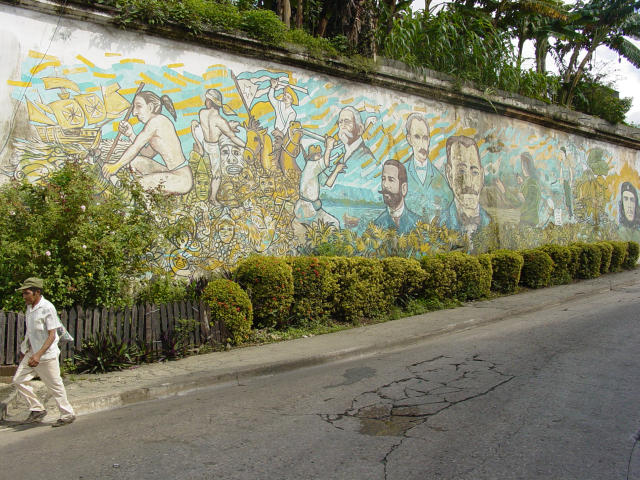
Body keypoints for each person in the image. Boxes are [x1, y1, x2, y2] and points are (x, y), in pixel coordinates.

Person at [11, 277, 75, 427]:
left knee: (55, 386)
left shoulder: (47, 308)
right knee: (18, 380)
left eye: (26, 293)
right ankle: (37, 409)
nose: (24, 296)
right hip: (32, 353)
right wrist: (24, 349)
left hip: (46, 355)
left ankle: (67, 414)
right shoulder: (30, 308)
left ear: (37, 292)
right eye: (23, 293)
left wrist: (38, 355)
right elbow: (30, 332)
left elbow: (52, 335)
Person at [102, 90, 193, 195]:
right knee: (135, 162)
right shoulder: (156, 123)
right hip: (172, 173)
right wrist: (130, 134)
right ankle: (149, 197)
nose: (134, 113)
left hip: (181, 179)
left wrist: (115, 166)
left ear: (150, 107)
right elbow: (147, 154)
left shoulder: (156, 122)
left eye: (139, 106)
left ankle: (149, 205)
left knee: (137, 185)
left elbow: (136, 147)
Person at [403, 113, 452, 220]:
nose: (422, 144)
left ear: (429, 140)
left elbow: (448, 202)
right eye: (417, 137)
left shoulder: (440, 177)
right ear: (409, 139)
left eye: (425, 138)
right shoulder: (401, 172)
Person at [440, 135, 490, 237]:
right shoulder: (440, 224)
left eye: (475, 172)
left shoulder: (490, 223)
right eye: (461, 171)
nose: (468, 183)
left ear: (482, 176)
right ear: (449, 175)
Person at [374, 159, 420, 234]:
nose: (385, 185)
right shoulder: (376, 225)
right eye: (383, 179)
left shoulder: (418, 224)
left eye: (391, 180)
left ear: (404, 188)